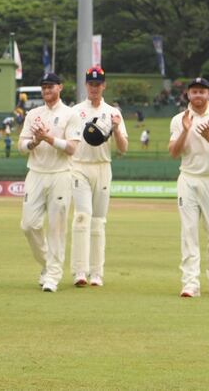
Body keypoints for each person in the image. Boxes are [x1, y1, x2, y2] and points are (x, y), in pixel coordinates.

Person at [168, 77, 209, 298]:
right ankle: (190, 282)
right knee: (188, 232)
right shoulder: (179, 120)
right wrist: (186, 130)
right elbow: (174, 152)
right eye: (194, 91)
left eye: (202, 92)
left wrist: (208, 136)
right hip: (187, 178)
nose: (198, 95)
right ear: (188, 94)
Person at [19, 72, 80, 293]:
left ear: (60, 88)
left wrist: (48, 138)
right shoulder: (34, 114)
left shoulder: (70, 114)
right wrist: (35, 141)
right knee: (28, 224)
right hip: (35, 172)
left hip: (60, 174)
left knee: (56, 227)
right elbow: (21, 146)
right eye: (44, 87)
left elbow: (72, 148)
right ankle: (48, 264)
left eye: (51, 87)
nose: (47, 91)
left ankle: (53, 275)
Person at [70, 67, 128, 287]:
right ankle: (79, 271)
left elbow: (123, 148)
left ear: (104, 85)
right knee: (82, 217)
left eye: (98, 84)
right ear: (86, 85)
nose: (94, 88)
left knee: (98, 221)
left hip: (103, 167)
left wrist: (116, 129)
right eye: (91, 84)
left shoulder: (113, 112)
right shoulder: (75, 111)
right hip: (79, 166)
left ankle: (97, 273)